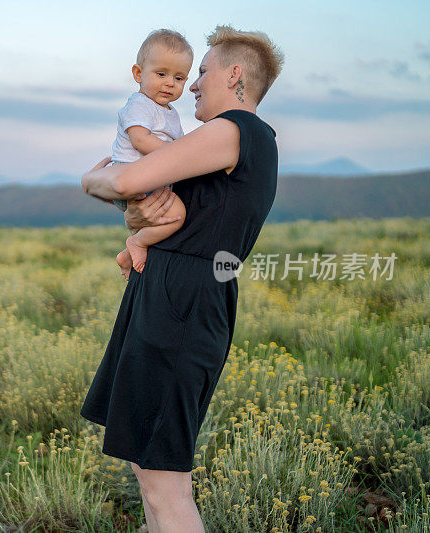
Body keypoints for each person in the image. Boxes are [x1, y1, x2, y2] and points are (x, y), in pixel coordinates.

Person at [79, 25, 284, 533]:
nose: (191, 85)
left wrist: (89, 180)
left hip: (183, 303)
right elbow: (145, 208)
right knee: (146, 464)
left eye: (204, 72)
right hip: (175, 295)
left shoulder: (234, 129)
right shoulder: (223, 144)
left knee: (162, 478)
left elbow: (124, 180)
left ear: (235, 75)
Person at [109, 29, 192, 280]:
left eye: (179, 78)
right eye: (161, 74)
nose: (170, 83)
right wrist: (178, 156)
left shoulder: (169, 112)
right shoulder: (139, 104)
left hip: (147, 178)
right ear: (138, 74)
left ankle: (127, 254)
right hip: (133, 174)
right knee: (176, 215)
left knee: (155, 219)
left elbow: (182, 142)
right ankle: (137, 244)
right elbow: (140, 140)